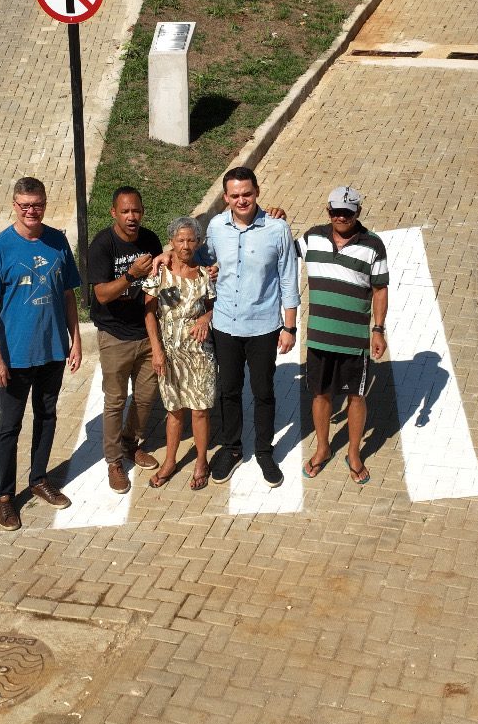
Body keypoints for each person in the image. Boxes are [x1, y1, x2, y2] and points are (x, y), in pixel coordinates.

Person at [0, 176, 82, 530]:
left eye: (37, 205)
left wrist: (75, 339)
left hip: (51, 351)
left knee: (47, 416)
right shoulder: (0, 248)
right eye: (24, 205)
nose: (31, 211)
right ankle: (4, 496)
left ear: (45, 204)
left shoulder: (57, 241)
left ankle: (39, 479)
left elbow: (68, 294)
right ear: (14, 205)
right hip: (15, 357)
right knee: (10, 426)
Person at [200, 166, 299, 486]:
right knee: (228, 390)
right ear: (225, 197)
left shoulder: (277, 228)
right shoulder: (216, 226)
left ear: (257, 192)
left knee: (263, 390)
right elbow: (203, 260)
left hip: (264, 327)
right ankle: (231, 448)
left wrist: (290, 327)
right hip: (225, 324)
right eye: (235, 195)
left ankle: (264, 450)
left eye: (247, 193)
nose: (241, 200)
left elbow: (288, 278)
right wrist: (205, 269)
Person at [301, 186, 388, 485]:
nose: (341, 217)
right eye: (336, 211)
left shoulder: (373, 245)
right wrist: (275, 218)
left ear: (358, 213)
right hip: (319, 337)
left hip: (353, 340)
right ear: (328, 211)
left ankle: (353, 453)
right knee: (320, 393)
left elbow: (379, 289)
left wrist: (378, 329)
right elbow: (279, 249)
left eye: (348, 213)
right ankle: (323, 448)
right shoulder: (312, 236)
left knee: (356, 395)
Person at [87, 186, 164, 493]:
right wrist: (131, 275)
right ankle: (114, 462)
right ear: (114, 213)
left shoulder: (149, 239)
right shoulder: (102, 245)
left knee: (146, 397)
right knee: (115, 401)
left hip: (146, 332)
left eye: (136, 211)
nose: (132, 217)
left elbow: (160, 276)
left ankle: (131, 443)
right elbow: (102, 294)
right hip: (114, 334)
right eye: (126, 212)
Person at [142, 217, 216, 491]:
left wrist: (205, 318)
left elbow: (211, 305)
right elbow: (149, 312)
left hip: (199, 352)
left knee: (200, 411)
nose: (186, 245)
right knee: (174, 410)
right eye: (180, 240)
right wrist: (157, 350)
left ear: (198, 242)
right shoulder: (159, 270)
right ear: (171, 242)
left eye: (191, 240)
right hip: (169, 352)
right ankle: (170, 461)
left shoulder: (204, 273)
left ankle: (200, 462)